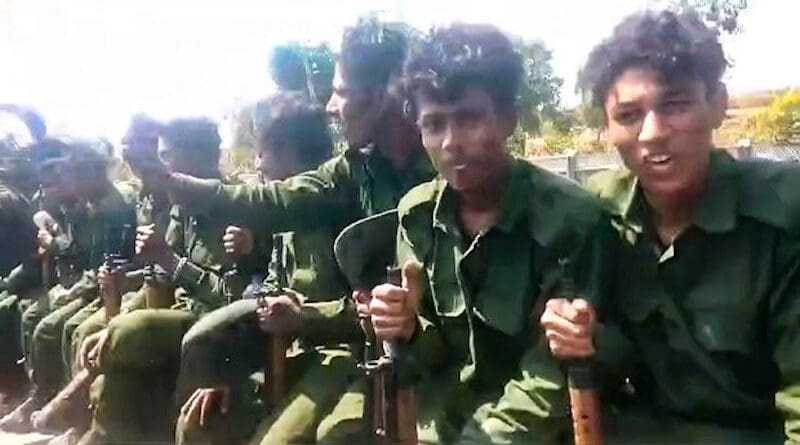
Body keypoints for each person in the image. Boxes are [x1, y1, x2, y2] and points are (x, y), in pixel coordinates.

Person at [317, 23, 616, 445]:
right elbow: (429, 354)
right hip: (440, 419)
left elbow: (551, 376)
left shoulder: (570, 219)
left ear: (509, 119)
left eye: (470, 119)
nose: (452, 142)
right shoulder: (417, 215)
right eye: (435, 124)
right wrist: (403, 326)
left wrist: (479, 438)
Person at [542, 9, 800, 444]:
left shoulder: (782, 213)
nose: (653, 133)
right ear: (606, 127)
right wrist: (578, 337)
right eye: (627, 115)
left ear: (718, 105)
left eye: (675, 105)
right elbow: (607, 367)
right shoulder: (597, 215)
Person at [175, 92, 353, 445]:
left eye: (263, 152)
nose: (258, 165)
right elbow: (269, 286)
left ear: (290, 153)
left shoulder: (340, 209)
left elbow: (366, 310)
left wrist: (306, 317)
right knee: (197, 422)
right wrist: (228, 369)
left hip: (338, 356)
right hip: (280, 348)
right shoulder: (279, 216)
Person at [74, 117, 254, 445]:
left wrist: (168, 260)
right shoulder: (180, 206)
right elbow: (158, 280)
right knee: (115, 357)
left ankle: (76, 413)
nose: (161, 165)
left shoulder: (233, 206)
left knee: (127, 333)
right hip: (178, 314)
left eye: (168, 156)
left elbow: (232, 298)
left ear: (199, 157)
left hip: (213, 326)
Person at [1, 138, 138, 433]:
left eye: (72, 175)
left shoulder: (112, 209)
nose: (67, 182)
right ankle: (42, 394)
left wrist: (71, 290)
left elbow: (105, 264)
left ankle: (73, 413)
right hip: (91, 285)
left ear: (90, 174)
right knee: (35, 317)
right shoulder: (88, 206)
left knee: (61, 327)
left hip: (112, 289)